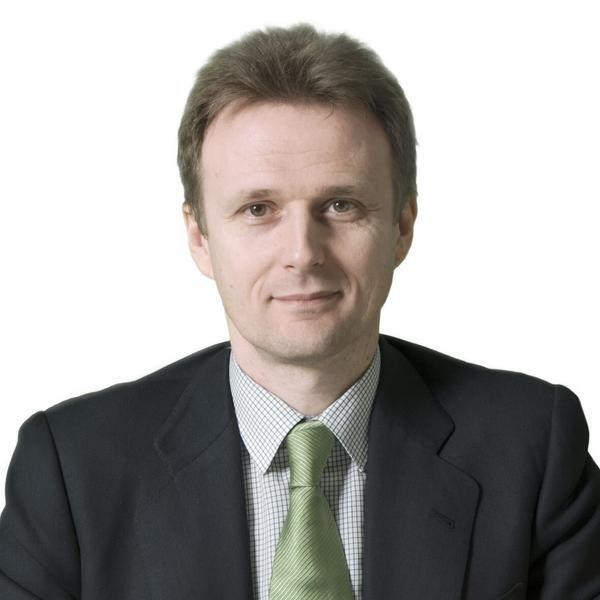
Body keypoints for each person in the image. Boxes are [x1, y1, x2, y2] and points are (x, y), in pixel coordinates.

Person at [0, 22, 598, 600]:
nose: (302, 253)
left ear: (401, 227)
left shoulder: (534, 449)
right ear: (200, 236)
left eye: (340, 205)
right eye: (258, 209)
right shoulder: (71, 470)